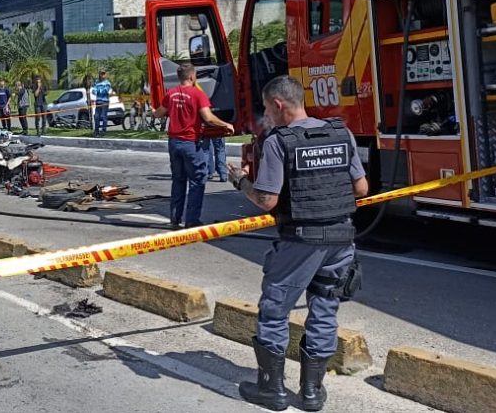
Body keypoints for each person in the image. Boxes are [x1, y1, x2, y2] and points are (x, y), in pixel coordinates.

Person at [227, 75, 367, 412]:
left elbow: (267, 200)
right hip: (341, 239)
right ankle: (311, 394)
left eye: (266, 109)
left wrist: (241, 181)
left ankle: (272, 390)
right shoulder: (340, 132)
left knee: (275, 310)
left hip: (300, 241)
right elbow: (361, 189)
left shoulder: (279, 142)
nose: (266, 116)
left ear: (278, 105)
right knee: (324, 309)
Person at [153, 64, 234, 228]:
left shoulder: (171, 93)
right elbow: (208, 117)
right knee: (197, 181)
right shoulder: (198, 94)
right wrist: (226, 125)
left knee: (178, 180)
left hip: (174, 143)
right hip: (190, 143)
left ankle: (175, 218)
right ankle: (191, 220)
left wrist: (153, 110)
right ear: (191, 77)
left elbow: (158, 114)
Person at [91, 69, 113, 136]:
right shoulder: (96, 82)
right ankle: (96, 131)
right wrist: (96, 91)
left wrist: (98, 91)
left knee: (104, 116)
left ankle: (103, 131)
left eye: (104, 74)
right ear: (99, 74)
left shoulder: (107, 83)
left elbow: (105, 91)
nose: (102, 75)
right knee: (96, 116)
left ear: (105, 75)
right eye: (101, 73)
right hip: (98, 101)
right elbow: (94, 90)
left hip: (105, 101)